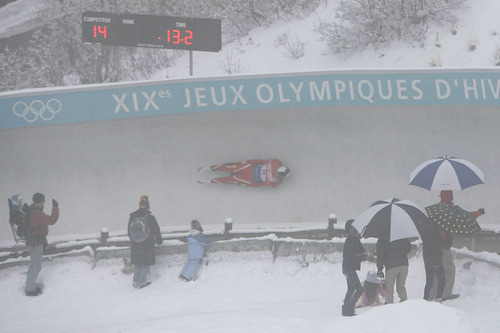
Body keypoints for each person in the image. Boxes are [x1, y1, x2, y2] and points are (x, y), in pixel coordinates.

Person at [430, 190, 485, 300]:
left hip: (433, 247)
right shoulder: (452, 211)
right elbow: (467, 217)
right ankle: (446, 294)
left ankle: (432, 294)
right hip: (444, 248)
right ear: (451, 198)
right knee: (449, 269)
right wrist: (478, 213)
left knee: (436, 271)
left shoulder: (435, 210)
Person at [24, 193, 59, 296]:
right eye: (43, 201)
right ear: (40, 202)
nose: (44, 203)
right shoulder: (36, 214)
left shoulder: (32, 210)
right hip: (36, 243)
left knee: (34, 264)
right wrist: (55, 208)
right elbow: (52, 220)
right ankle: (29, 288)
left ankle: (29, 285)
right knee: (36, 265)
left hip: (34, 241)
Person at [128, 195, 163, 289]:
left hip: (136, 244)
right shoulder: (150, 217)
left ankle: (135, 281)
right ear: (147, 206)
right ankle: (142, 282)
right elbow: (156, 230)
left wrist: (135, 241)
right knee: (145, 263)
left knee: (137, 263)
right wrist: (159, 241)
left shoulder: (133, 217)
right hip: (147, 244)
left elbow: (129, 232)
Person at [342, 219, 372, 316]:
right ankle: (349, 309)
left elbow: (361, 250)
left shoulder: (354, 239)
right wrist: (362, 256)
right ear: (350, 230)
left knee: (351, 289)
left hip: (347, 268)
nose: (357, 230)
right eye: (355, 229)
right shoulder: (351, 240)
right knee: (359, 290)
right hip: (349, 268)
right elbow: (352, 255)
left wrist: (367, 255)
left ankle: (345, 309)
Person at [197, 159, 290, 187]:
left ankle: (209, 181)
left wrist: (248, 184)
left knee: (229, 180)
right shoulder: (275, 162)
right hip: (249, 168)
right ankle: (209, 167)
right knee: (229, 167)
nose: (275, 173)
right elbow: (260, 160)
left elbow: (260, 184)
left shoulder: (275, 182)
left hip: (250, 179)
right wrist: (248, 162)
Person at [376, 237, 411, 304]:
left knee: (389, 288)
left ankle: (389, 306)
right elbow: (408, 249)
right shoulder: (402, 235)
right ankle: (404, 303)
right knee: (401, 286)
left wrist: (380, 269)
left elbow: (380, 254)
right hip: (404, 264)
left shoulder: (383, 238)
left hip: (391, 266)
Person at [422, 222, 446, 302]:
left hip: (428, 263)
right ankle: (438, 297)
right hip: (437, 262)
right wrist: (448, 235)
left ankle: (426, 298)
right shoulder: (438, 237)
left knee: (429, 281)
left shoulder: (425, 236)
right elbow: (446, 245)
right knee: (442, 280)